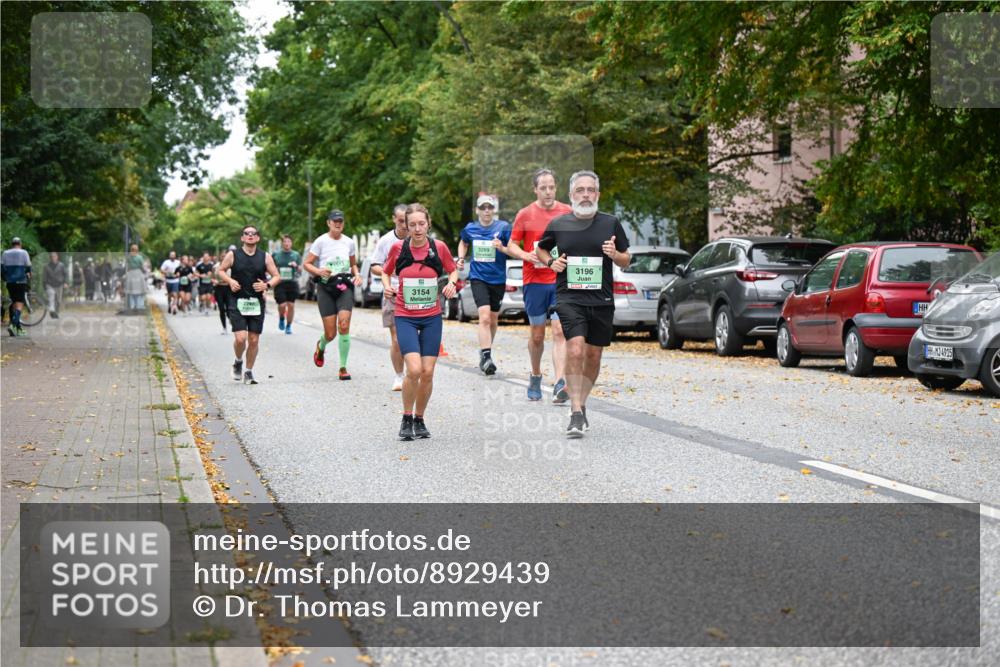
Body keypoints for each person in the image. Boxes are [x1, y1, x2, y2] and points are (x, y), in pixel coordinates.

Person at [536, 170, 630, 438]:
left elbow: (627, 258)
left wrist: (616, 255)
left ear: (598, 194)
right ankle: (575, 411)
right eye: (580, 190)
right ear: (571, 195)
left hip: (601, 299)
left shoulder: (610, 224)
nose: (586, 195)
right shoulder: (559, 223)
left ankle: (582, 402)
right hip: (569, 298)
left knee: (593, 355)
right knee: (575, 347)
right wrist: (550, 262)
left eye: (590, 190)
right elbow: (541, 248)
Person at [381, 203, 459, 440]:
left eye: (421, 224)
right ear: (406, 225)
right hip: (405, 316)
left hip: (431, 317)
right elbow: (386, 271)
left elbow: (452, 269)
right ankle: (406, 418)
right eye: (412, 224)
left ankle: (420, 418)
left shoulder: (439, 248)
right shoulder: (398, 248)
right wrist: (387, 288)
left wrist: (451, 283)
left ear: (428, 224)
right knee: (413, 369)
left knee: (427, 372)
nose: (417, 228)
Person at [506, 168, 573, 402]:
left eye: (551, 187)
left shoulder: (567, 212)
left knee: (559, 330)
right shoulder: (525, 214)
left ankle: (560, 382)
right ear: (535, 189)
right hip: (534, 282)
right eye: (543, 187)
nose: (548, 191)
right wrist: (525, 255)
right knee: (537, 335)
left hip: (559, 282)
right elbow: (511, 244)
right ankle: (535, 375)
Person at [216, 225, 281, 385]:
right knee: (240, 339)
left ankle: (249, 372)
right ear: (242, 238)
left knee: (253, 340)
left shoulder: (265, 256)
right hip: (237, 300)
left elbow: (276, 276)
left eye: (254, 234)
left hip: (256, 303)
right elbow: (221, 270)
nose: (250, 236)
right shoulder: (233, 255)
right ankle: (238, 361)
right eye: (247, 233)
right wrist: (230, 281)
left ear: (258, 238)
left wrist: (267, 285)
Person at [456, 193, 513, 376]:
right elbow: (463, 243)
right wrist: (462, 257)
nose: (486, 211)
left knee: (493, 319)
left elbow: (512, 248)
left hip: (498, 278)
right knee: (484, 316)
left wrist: (502, 248)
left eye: (489, 207)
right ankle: (487, 357)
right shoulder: (470, 228)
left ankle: (484, 350)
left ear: (494, 210)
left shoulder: (503, 227)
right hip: (478, 277)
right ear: (477, 210)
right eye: (483, 207)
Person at [303, 210, 362, 380]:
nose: (338, 224)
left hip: (344, 286)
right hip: (326, 287)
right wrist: (319, 271)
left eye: (340, 221)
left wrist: (357, 275)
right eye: (334, 221)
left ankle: (343, 368)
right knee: (330, 333)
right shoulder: (320, 241)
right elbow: (307, 264)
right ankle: (321, 346)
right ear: (328, 223)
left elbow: (353, 265)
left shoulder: (349, 242)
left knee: (343, 326)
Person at [370, 204, 410, 391]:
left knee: (412, 337)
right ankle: (399, 376)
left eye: (406, 221)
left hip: (415, 295)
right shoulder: (386, 241)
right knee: (397, 338)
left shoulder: (417, 238)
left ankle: (413, 371)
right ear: (394, 219)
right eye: (401, 221)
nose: (404, 225)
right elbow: (374, 266)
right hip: (393, 293)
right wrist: (389, 270)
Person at [2, 237, 32, 336]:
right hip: (20, 281)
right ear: (20, 243)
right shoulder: (24, 253)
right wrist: (27, 274)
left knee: (14, 303)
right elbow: (28, 267)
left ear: (12, 244)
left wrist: (6, 278)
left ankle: (18, 329)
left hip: (10, 283)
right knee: (19, 304)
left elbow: (1, 269)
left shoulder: (5, 253)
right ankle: (13, 325)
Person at [271, 235, 301, 335]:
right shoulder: (276, 255)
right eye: (285, 242)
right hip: (280, 282)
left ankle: (288, 326)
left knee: (291, 305)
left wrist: (296, 266)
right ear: (282, 243)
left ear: (291, 243)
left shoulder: (296, 255)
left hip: (292, 282)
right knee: (282, 305)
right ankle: (281, 318)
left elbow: (300, 269)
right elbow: (270, 267)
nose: (287, 243)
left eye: (289, 242)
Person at [213, 245, 237, 333]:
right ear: (220, 257)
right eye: (222, 256)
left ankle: (230, 319)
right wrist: (215, 281)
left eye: (225, 256)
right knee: (221, 309)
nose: (223, 257)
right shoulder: (216, 266)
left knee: (229, 308)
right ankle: (224, 327)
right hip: (219, 289)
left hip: (228, 288)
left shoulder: (231, 266)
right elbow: (212, 277)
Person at [43, 251, 68, 319]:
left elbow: (65, 274)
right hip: (50, 285)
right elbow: (44, 277)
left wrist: (65, 282)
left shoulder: (61, 265)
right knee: (51, 297)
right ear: (50, 258)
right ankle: (52, 310)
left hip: (59, 285)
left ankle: (56, 313)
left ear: (57, 257)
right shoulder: (46, 266)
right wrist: (44, 286)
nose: (53, 258)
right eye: (51, 257)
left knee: (58, 301)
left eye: (54, 256)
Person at [124, 244, 149, 312]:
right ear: (137, 250)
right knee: (140, 291)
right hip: (138, 273)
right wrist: (145, 272)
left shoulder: (128, 257)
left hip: (130, 274)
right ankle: (139, 306)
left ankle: (132, 306)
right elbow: (142, 267)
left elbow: (127, 267)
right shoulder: (139, 257)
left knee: (131, 291)